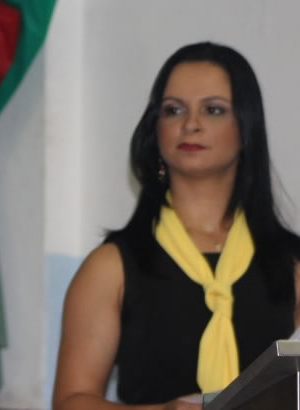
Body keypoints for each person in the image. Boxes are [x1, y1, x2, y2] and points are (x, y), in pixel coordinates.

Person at [52, 42, 300, 410]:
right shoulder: (110, 267)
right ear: (155, 131)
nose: (191, 124)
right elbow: (70, 402)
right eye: (173, 110)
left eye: (213, 110)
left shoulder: (291, 263)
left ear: (246, 129)